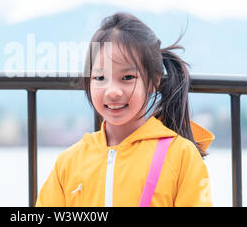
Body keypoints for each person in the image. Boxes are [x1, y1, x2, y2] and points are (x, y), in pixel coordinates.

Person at [36, 12, 214, 207]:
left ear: (153, 81)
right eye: (100, 78)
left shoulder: (181, 156)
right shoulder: (69, 162)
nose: (112, 91)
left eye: (127, 77)